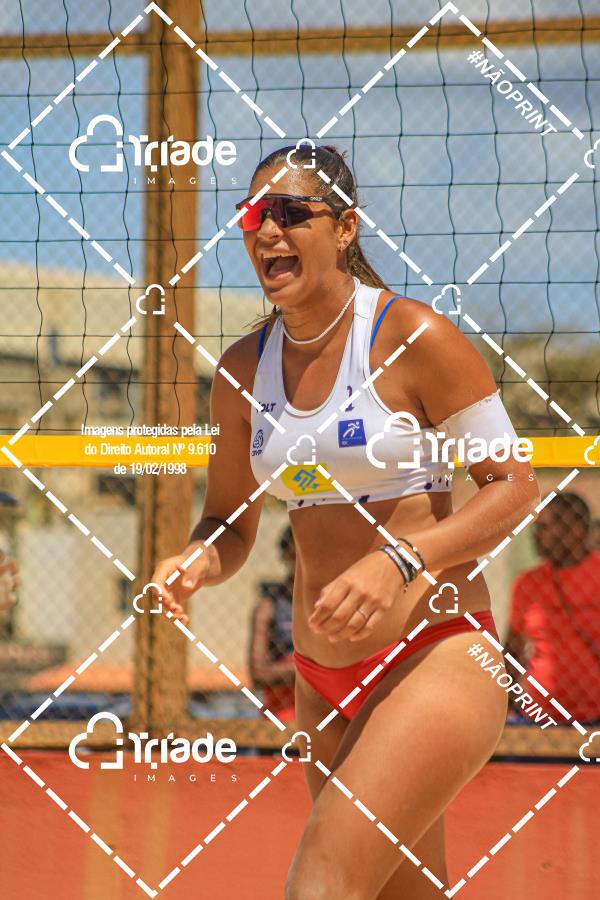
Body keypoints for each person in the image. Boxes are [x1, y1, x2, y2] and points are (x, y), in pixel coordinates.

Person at [151, 144, 539, 899]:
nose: (268, 229)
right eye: (254, 214)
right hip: (321, 677)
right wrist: (195, 559)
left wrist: (401, 557)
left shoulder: (413, 335)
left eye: (290, 212)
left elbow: (514, 488)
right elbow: (228, 522)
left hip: (435, 652)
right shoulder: (241, 369)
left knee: (321, 888)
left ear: (345, 227)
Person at [505, 493, 600, 723]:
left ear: (575, 530)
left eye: (545, 527)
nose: (536, 534)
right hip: (539, 714)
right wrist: (507, 703)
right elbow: (513, 650)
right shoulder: (528, 583)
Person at [248, 524, 296, 722]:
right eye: (295, 553)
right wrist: (309, 672)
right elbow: (258, 673)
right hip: (283, 713)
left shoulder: (330, 602)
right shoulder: (269, 607)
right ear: (286, 555)